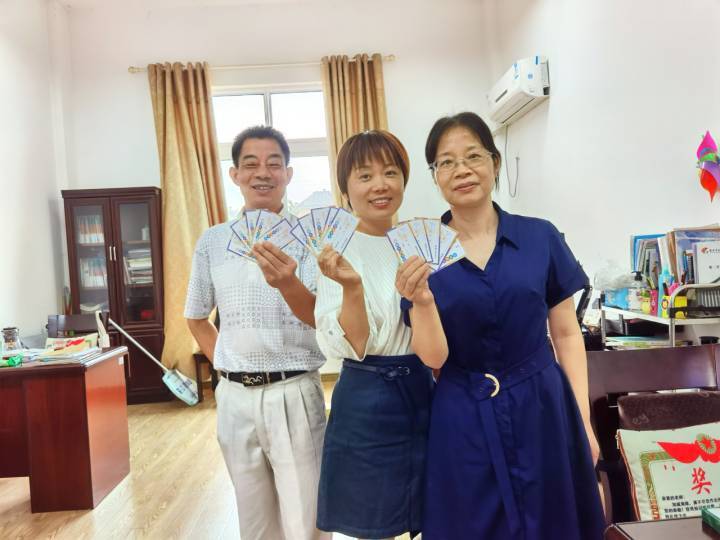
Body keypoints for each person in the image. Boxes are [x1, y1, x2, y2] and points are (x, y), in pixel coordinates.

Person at [400, 112, 606, 539]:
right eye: (446, 162)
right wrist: (422, 300)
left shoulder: (540, 237)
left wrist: (582, 421)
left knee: (552, 521)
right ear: (435, 176)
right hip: (462, 412)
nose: (461, 170)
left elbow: (566, 333)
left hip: (542, 406)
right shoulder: (421, 251)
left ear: (494, 163)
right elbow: (433, 358)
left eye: (473, 156)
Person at [184, 126, 328, 540]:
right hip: (234, 398)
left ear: (288, 174)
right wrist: (226, 366)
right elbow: (196, 316)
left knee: (307, 518)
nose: (262, 173)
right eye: (250, 164)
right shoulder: (213, 241)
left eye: (273, 164)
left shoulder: (311, 240)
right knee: (254, 520)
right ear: (234, 174)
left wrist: (288, 283)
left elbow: (322, 318)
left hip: (294, 391)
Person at [313, 130, 435, 539]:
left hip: (424, 390)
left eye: (390, 172)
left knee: (431, 512)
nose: (380, 185)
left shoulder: (422, 243)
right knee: (373, 522)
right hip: (366, 399)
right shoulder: (336, 251)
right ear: (345, 188)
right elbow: (356, 344)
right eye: (365, 176)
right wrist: (352, 287)